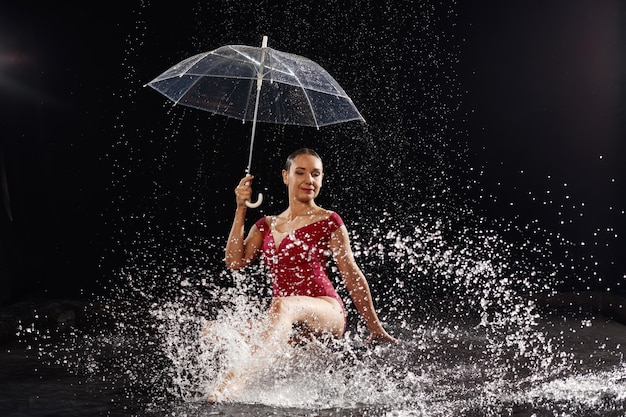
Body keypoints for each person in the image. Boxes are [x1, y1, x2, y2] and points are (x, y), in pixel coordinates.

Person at [212, 148, 396, 401]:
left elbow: (351, 273)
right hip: (287, 318)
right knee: (215, 330)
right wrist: (241, 207)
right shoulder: (266, 224)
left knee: (282, 306)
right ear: (285, 177)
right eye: (301, 173)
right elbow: (235, 261)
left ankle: (231, 388)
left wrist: (374, 326)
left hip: (326, 309)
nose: (309, 180)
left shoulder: (330, 220)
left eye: (316, 174)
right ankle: (251, 380)